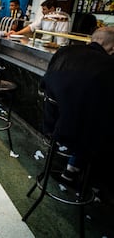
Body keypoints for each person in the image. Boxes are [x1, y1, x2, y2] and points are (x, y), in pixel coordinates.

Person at [41, 26, 114, 188]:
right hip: (77, 136)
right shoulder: (109, 65)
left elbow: (44, 84)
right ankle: (78, 174)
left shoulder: (64, 51)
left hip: (50, 125)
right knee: (98, 123)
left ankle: (68, 168)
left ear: (91, 39)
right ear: (112, 48)